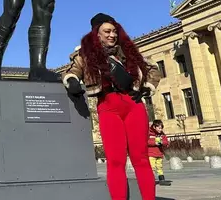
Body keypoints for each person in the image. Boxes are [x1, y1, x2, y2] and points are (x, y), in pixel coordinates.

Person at [63, 13, 161, 200]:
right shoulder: (85, 55)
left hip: (134, 105)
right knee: (116, 161)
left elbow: (153, 70)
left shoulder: (129, 51)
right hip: (108, 108)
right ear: (97, 34)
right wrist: (72, 81)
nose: (112, 35)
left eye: (114, 31)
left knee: (141, 159)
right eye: (107, 31)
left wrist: (147, 87)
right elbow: (72, 72)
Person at [148, 119, 170, 186]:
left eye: (161, 128)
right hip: (151, 154)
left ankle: (162, 179)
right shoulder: (149, 133)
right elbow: (146, 142)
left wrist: (163, 142)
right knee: (152, 167)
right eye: (159, 128)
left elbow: (166, 141)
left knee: (159, 167)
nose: (160, 130)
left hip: (159, 154)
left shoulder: (162, 134)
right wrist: (155, 142)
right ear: (154, 127)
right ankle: (151, 180)